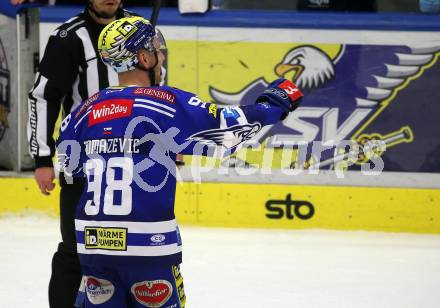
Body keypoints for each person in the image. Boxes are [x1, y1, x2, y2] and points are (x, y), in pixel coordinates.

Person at [55, 16, 303, 307]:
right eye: (157, 51)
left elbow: (72, 170)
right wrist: (276, 103)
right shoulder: (163, 102)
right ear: (144, 57)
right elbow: (228, 131)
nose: (161, 57)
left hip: (94, 248)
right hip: (148, 249)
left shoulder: (83, 111)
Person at [27, 1, 137, 307]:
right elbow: (44, 97)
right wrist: (42, 157)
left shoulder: (140, 31)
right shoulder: (69, 38)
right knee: (76, 251)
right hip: (83, 164)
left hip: (134, 164)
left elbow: (158, 89)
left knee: (132, 250)